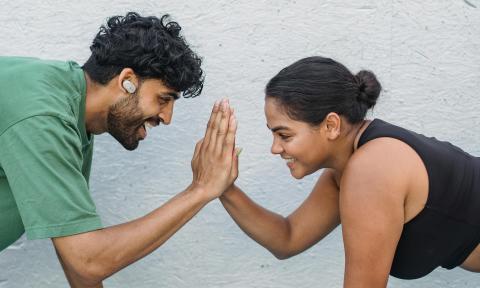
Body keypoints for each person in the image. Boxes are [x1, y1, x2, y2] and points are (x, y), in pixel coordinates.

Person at [0, 12, 238, 287]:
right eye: (163, 99)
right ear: (127, 80)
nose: (167, 117)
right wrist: (200, 190)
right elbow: (87, 260)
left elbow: (73, 243)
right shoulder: (44, 116)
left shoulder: (71, 109)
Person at [220, 56, 480, 287]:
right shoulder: (348, 169)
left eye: (284, 134)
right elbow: (288, 237)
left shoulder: (372, 169)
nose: (275, 148)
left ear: (331, 125)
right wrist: (223, 188)